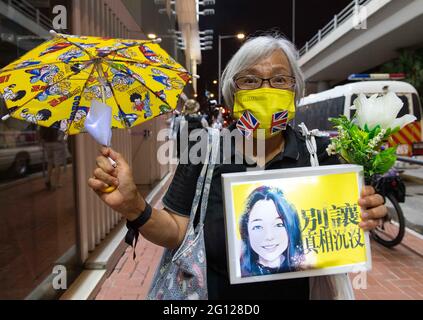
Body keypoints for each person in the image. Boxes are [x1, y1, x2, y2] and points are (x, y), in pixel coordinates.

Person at [88, 34, 388, 300]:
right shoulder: (203, 149)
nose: (266, 88)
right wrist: (133, 206)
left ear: (295, 89)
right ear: (233, 92)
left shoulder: (320, 154)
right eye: (251, 79)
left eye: (280, 79)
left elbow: (344, 226)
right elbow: (177, 231)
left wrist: (367, 211)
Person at [239, 186, 304, 277]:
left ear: (291, 227)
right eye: (258, 227)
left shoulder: (305, 269)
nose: (269, 236)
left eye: (279, 225)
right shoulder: (240, 272)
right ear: (246, 231)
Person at [39, 126, 66, 190]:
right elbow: (62, 132)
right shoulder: (57, 119)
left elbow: (41, 133)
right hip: (57, 143)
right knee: (57, 164)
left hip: (47, 143)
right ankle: (56, 184)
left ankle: (47, 180)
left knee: (50, 162)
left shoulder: (44, 119)